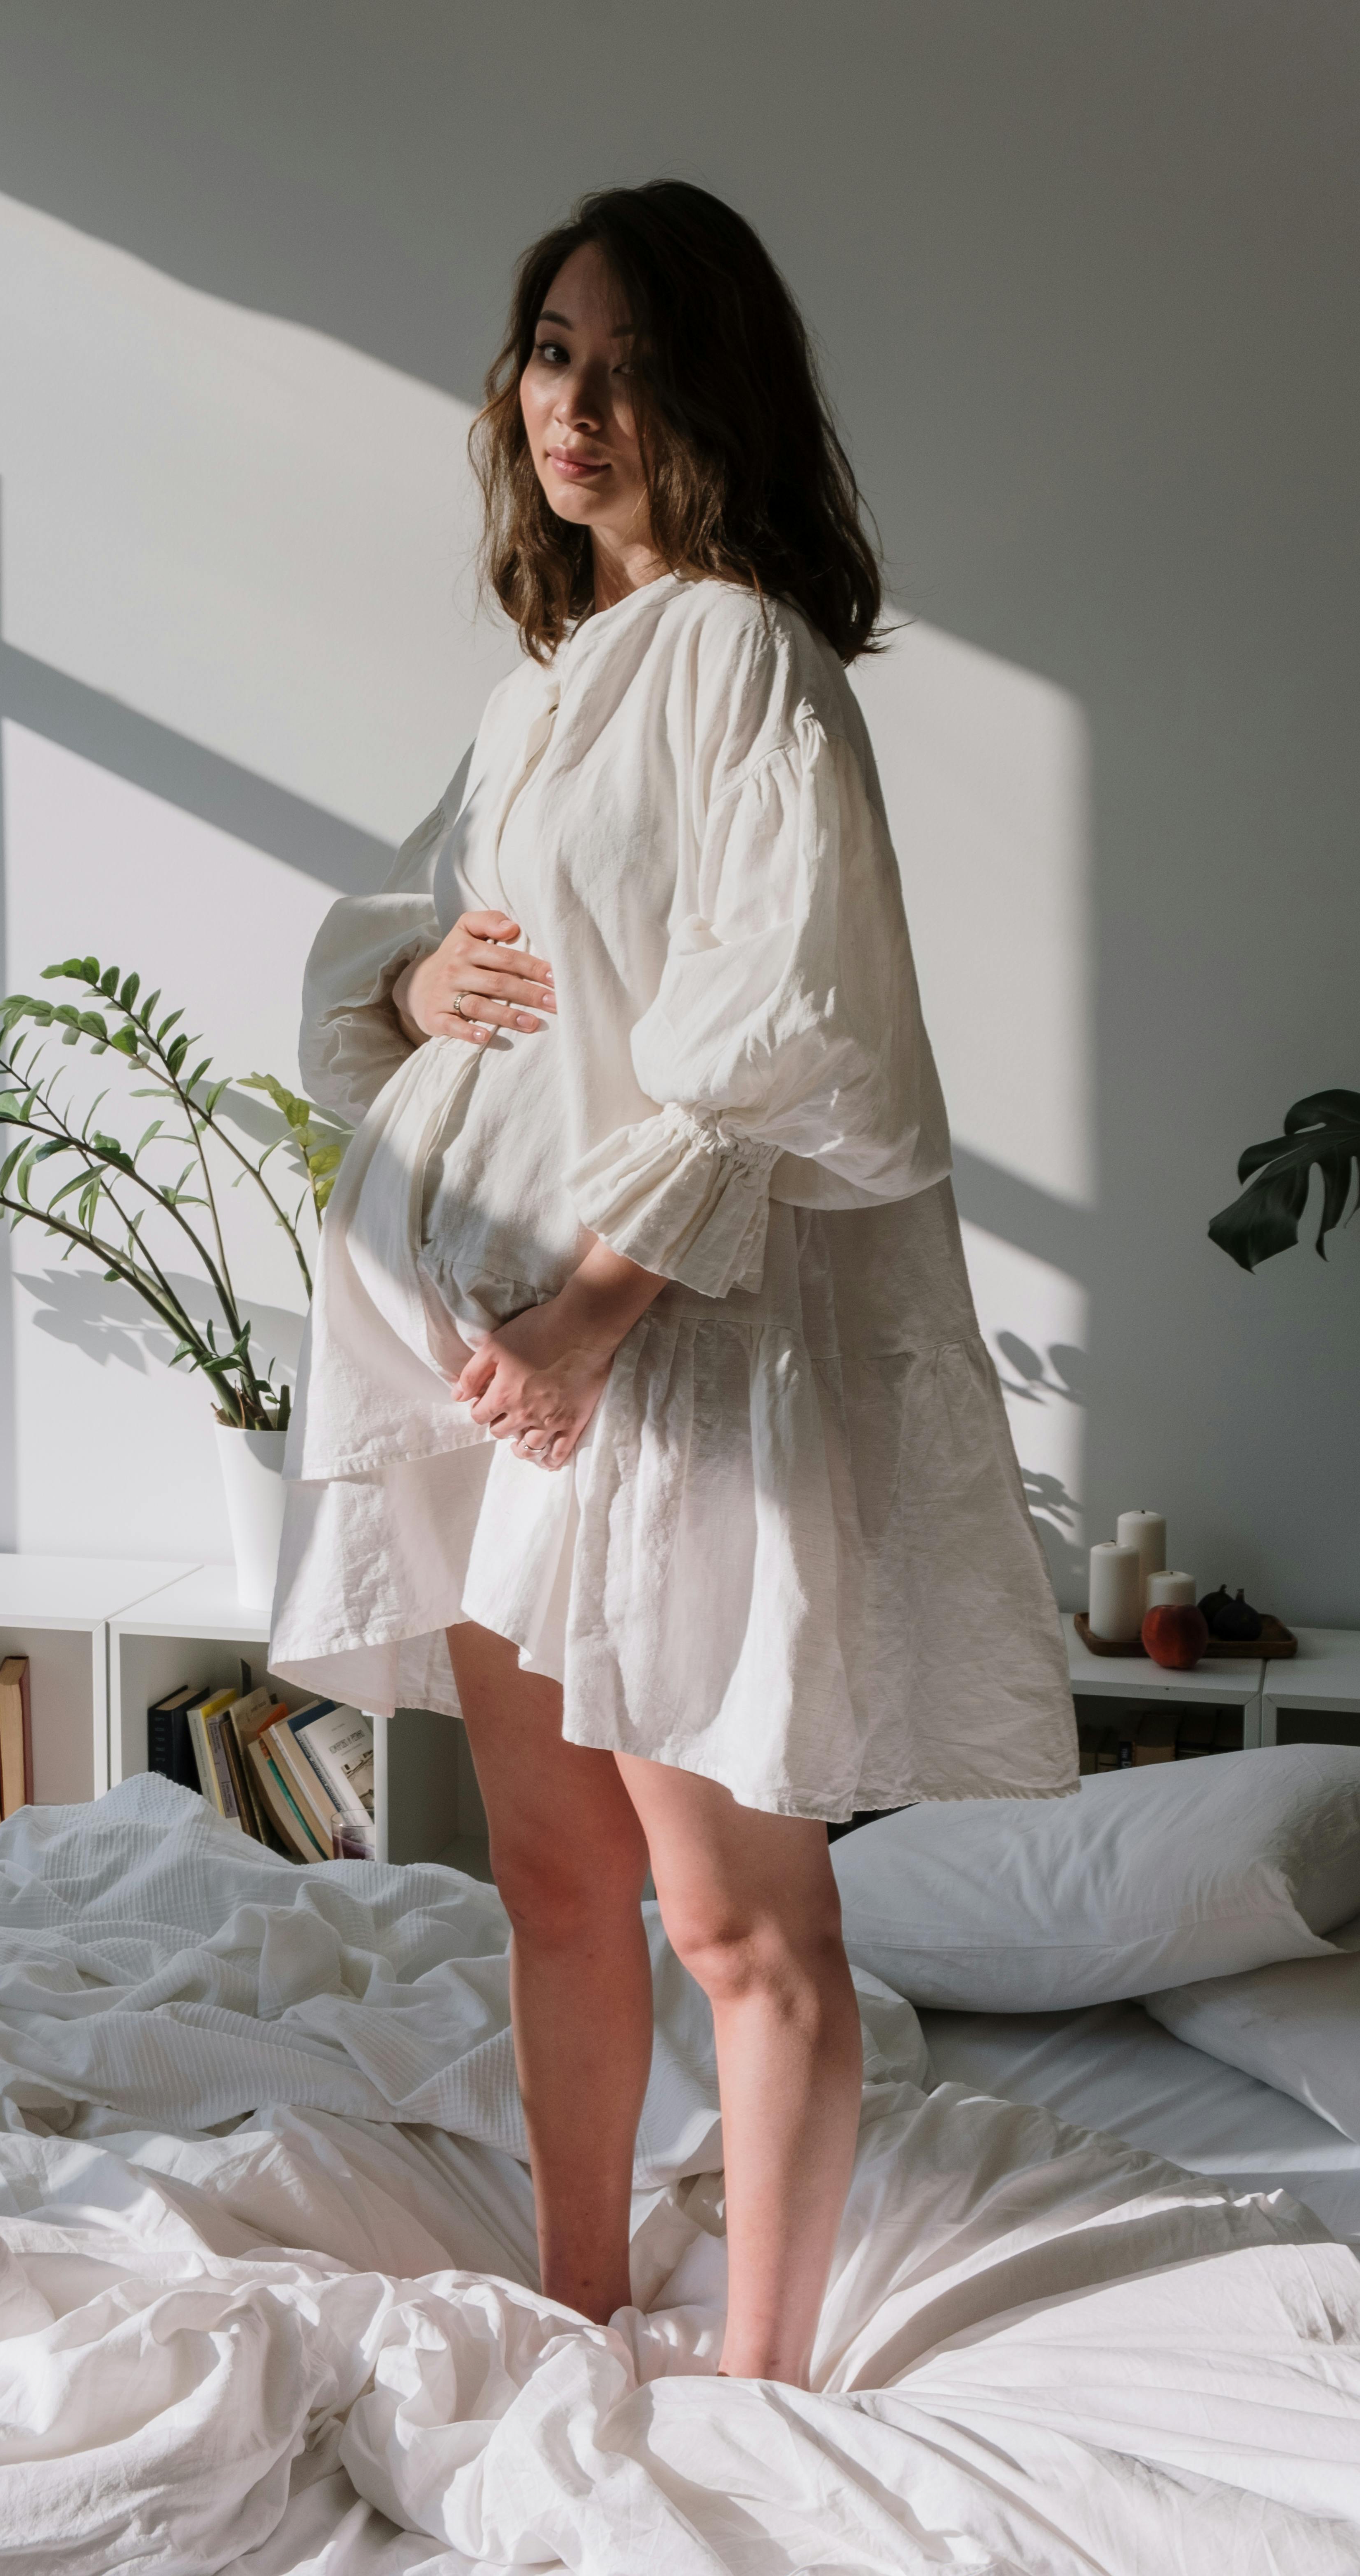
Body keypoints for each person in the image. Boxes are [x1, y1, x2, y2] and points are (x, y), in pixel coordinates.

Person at [270, 180, 1077, 2386]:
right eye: (549, 350)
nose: (575, 403)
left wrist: (590, 1313)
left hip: (658, 1371)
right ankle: (574, 2289)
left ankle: (763, 2382)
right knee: (551, 1876)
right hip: (498, 1370)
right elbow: (442, 963)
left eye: (624, 362)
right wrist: (415, 969)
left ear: (712, 388)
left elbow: (793, 1027)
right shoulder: (550, 685)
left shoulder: (743, 657)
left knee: (740, 1913)